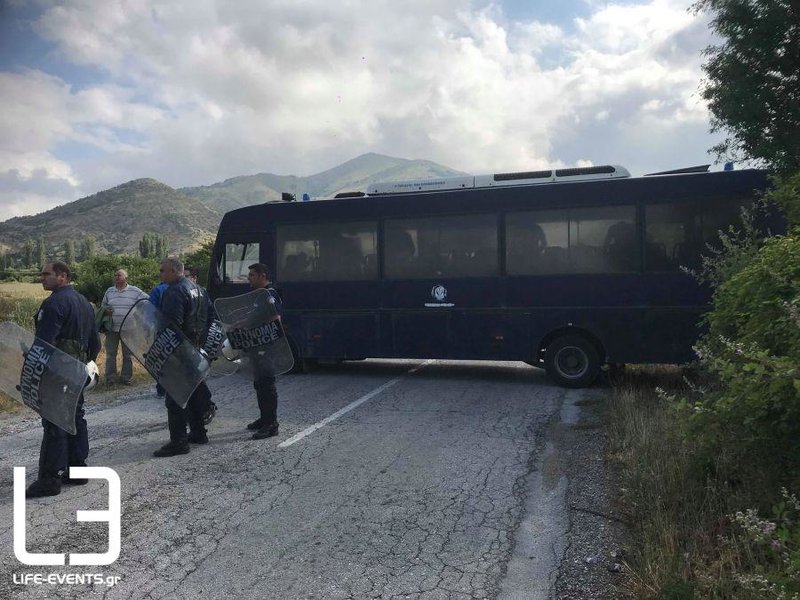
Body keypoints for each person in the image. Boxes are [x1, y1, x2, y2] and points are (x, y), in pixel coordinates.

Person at [26, 261, 101, 498]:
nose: (42, 278)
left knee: (54, 421)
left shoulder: (54, 303)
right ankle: (78, 470)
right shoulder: (85, 303)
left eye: (46, 274)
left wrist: (35, 368)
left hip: (57, 372)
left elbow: (45, 342)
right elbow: (95, 343)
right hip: (78, 371)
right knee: (75, 417)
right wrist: (81, 364)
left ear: (63, 276)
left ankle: (50, 479)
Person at [153, 257, 214, 457]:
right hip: (195, 347)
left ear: (173, 271)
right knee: (193, 393)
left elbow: (172, 325)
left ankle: (178, 442)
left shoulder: (175, 291)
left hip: (180, 350)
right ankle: (198, 432)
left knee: (175, 397)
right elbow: (211, 317)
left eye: (163, 270)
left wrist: (164, 350)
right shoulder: (199, 289)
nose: (160, 274)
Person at [245, 262, 282, 440]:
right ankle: (264, 418)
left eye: (252, 275)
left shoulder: (269, 295)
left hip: (266, 347)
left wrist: (260, 332)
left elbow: (276, 320)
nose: (249, 278)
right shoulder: (259, 295)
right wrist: (241, 325)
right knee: (259, 384)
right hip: (256, 346)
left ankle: (271, 424)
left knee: (267, 384)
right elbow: (255, 317)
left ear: (263, 276)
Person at [101, 268, 147, 385]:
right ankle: (110, 378)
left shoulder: (135, 291)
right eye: (115, 275)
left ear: (126, 278)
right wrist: (106, 310)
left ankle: (126, 378)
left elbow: (147, 300)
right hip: (112, 328)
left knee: (128, 355)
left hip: (129, 328)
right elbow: (103, 305)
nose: (116, 277)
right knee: (111, 354)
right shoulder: (109, 291)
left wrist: (139, 313)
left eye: (119, 275)